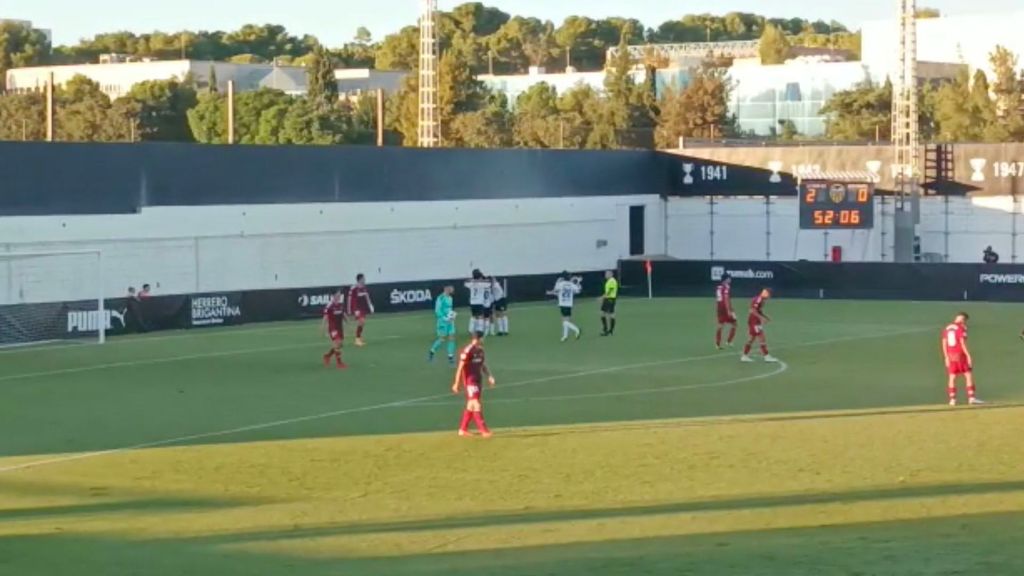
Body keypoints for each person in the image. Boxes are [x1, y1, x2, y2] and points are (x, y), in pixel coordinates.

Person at [452, 331, 495, 437]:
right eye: (482, 338)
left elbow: (482, 365)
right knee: (476, 404)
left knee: (471, 405)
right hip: (470, 381)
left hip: (478, 380)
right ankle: (484, 430)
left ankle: (462, 430)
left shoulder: (480, 350)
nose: (483, 340)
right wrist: (456, 383)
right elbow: (460, 367)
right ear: (478, 339)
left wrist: (489, 376)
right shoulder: (468, 351)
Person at [943, 313, 983, 406]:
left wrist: (946, 356)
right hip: (960, 354)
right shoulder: (961, 328)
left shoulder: (947, 328)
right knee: (968, 375)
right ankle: (971, 398)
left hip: (951, 355)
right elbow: (962, 343)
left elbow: (944, 343)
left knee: (952, 377)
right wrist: (968, 355)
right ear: (963, 320)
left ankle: (952, 400)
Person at [741, 288, 778, 363]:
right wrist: (762, 318)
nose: (769, 297)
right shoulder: (759, 299)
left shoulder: (761, 300)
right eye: (769, 294)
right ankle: (766, 356)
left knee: (751, 339)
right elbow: (752, 310)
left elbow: (758, 311)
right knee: (761, 337)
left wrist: (765, 317)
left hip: (755, 321)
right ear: (766, 293)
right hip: (754, 321)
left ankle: (744, 356)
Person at [548, 272, 582, 342]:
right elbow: (578, 291)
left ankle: (577, 329)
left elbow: (556, 290)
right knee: (566, 320)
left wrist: (551, 290)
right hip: (569, 304)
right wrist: (578, 283)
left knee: (564, 321)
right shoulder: (571, 284)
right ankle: (565, 336)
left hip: (563, 303)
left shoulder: (560, 284)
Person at [429, 285, 457, 364]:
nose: (452, 289)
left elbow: (449, 309)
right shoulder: (440, 298)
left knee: (452, 337)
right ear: (446, 288)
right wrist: (444, 318)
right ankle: (432, 352)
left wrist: (452, 315)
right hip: (442, 321)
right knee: (442, 339)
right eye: (450, 288)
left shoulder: (450, 298)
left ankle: (450, 356)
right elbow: (437, 310)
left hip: (450, 321)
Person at [321, 288, 347, 369]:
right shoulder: (330, 305)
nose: (339, 296)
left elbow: (343, 314)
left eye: (340, 294)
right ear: (334, 295)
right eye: (338, 294)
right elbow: (325, 316)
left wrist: (348, 322)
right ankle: (339, 363)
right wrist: (323, 327)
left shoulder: (340, 304)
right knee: (337, 342)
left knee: (340, 344)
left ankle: (327, 356)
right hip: (333, 327)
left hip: (340, 327)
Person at [346, 274, 374, 347]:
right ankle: (357, 339)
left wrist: (370, 305)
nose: (364, 280)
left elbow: (367, 296)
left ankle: (359, 337)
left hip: (363, 307)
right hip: (356, 308)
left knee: (362, 323)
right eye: (363, 278)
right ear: (360, 279)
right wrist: (349, 309)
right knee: (361, 321)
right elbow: (349, 299)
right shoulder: (354, 288)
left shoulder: (364, 287)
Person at [715, 274, 737, 349]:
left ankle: (717, 344)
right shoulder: (726, 287)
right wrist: (728, 310)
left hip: (719, 308)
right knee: (735, 324)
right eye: (729, 278)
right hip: (726, 308)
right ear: (726, 279)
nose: (730, 280)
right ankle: (729, 341)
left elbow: (719, 298)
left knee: (720, 325)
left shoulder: (718, 287)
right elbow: (726, 298)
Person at [465, 269, 489, 334]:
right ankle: (479, 330)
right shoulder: (483, 283)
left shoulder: (471, 283)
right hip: (479, 302)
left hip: (472, 302)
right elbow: (489, 283)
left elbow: (465, 283)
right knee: (480, 316)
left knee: (473, 316)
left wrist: (473, 280)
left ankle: (471, 329)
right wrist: (481, 279)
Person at [600, 270, 618, 336]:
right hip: (609, 299)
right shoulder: (609, 281)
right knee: (608, 314)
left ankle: (607, 330)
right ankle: (609, 330)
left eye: (607, 274)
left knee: (607, 314)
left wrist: (603, 297)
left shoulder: (612, 281)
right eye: (605, 274)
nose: (605, 275)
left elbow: (610, 290)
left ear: (611, 274)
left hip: (609, 299)